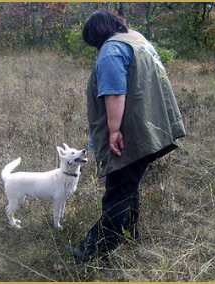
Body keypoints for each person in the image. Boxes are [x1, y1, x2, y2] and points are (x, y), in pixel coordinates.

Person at [67, 10, 186, 261]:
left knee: (118, 190)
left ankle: (94, 251)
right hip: (148, 125)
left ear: (96, 35)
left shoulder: (111, 49)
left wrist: (113, 131)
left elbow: (115, 93)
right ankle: (130, 237)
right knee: (129, 186)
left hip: (129, 131)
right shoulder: (137, 39)